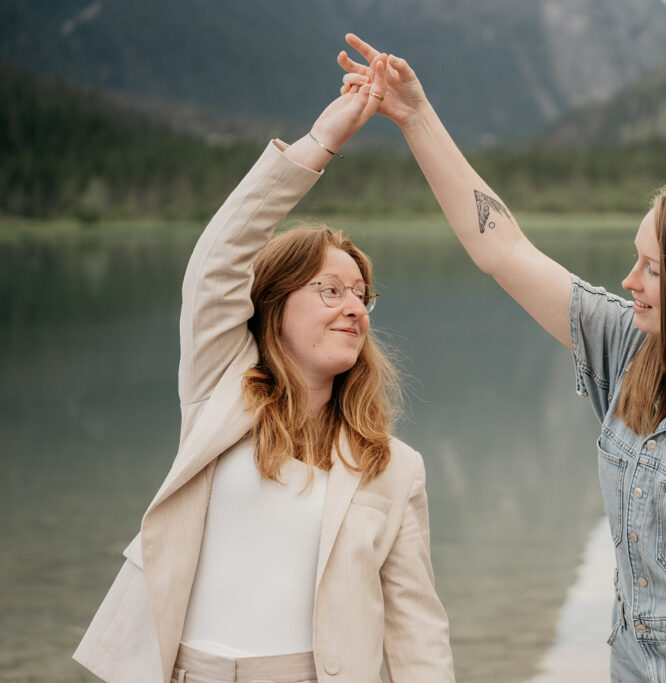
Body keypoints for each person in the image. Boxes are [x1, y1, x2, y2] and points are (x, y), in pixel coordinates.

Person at [339, 34, 666, 682]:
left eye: (652, 269)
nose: (629, 280)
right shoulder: (632, 351)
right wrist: (415, 114)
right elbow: (504, 249)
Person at [73, 55, 455, 683]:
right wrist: (323, 141)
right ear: (272, 307)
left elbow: (417, 628)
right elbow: (218, 260)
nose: (353, 307)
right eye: (330, 290)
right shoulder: (218, 392)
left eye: (362, 294)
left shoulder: (395, 467)